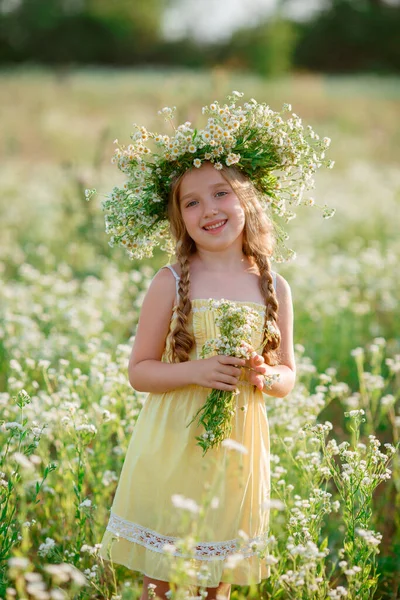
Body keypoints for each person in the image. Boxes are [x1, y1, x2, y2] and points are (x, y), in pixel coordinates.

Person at [95, 92, 334, 599]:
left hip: (235, 455)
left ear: (247, 199)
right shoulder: (170, 280)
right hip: (170, 448)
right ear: (178, 217)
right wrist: (197, 371)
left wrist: (263, 377)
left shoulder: (274, 286)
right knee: (161, 582)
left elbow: (287, 376)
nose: (209, 209)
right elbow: (140, 371)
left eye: (221, 193)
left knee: (214, 586)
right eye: (192, 201)